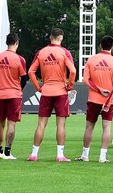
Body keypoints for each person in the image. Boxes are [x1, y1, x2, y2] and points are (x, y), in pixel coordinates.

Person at [27, 27, 77, 162]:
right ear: (61, 38)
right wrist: (70, 86)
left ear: (50, 37)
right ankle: (60, 155)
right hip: (60, 91)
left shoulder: (41, 52)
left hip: (46, 91)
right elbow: (73, 71)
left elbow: (31, 72)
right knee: (60, 124)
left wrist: (38, 87)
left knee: (41, 124)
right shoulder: (64, 52)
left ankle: (34, 154)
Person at [77, 35, 113, 163]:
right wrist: (108, 101)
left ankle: (85, 155)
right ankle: (102, 156)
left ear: (100, 46)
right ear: (112, 47)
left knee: (89, 127)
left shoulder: (91, 60)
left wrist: (98, 90)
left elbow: (86, 80)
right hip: (109, 100)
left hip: (94, 99)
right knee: (106, 127)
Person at [0, 33, 26, 160]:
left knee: (0, 122)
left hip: (1, 93)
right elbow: (24, 79)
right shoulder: (20, 59)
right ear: (17, 43)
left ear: (7, 42)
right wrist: (18, 89)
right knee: (11, 123)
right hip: (14, 94)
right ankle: (7, 152)